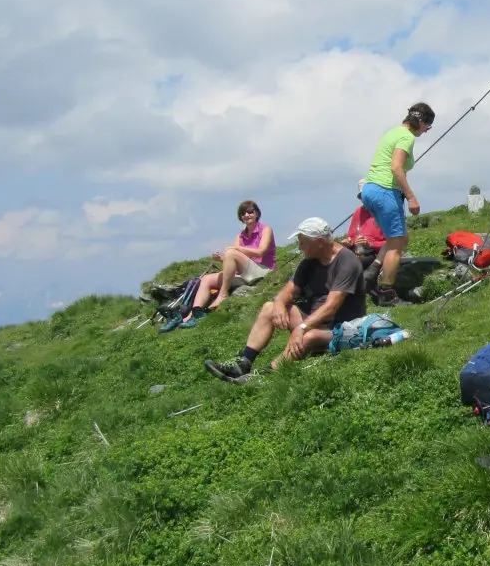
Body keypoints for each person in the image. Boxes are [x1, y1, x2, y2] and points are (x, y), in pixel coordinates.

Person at [203, 217, 366, 380]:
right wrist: (280, 304)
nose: (300, 247)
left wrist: (301, 328)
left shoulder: (347, 261)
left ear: (320, 241)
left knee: (309, 336)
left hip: (341, 328)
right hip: (313, 321)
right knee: (269, 307)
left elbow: (331, 306)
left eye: (303, 242)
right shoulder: (308, 262)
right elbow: (287, 292)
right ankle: (243, 363)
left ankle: (264, 375)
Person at [361, 102, 435, 306]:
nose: (427, 130)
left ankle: (371, 273)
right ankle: (386, 293)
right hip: (385, 190)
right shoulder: (407, 137)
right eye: (428, 125)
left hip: (370, 189)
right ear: (420, 122)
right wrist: (411, 197)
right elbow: (396, 167)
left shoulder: (392, 132)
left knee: (400, 238)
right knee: (396, 243)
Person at [163, 201, 276, 331]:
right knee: (206, 279)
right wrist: (222, 259)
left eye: (250, 212)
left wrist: (236, 248)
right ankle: (196, 312)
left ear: (256, 214)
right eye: (243, 213)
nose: (247, 215)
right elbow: (233, 261)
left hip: (263, 271)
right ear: (240, 217)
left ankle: (222, 295)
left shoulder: (266, 229)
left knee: (231, 252)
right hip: (246, 273)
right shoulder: (241, 235)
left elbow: (261, 251)